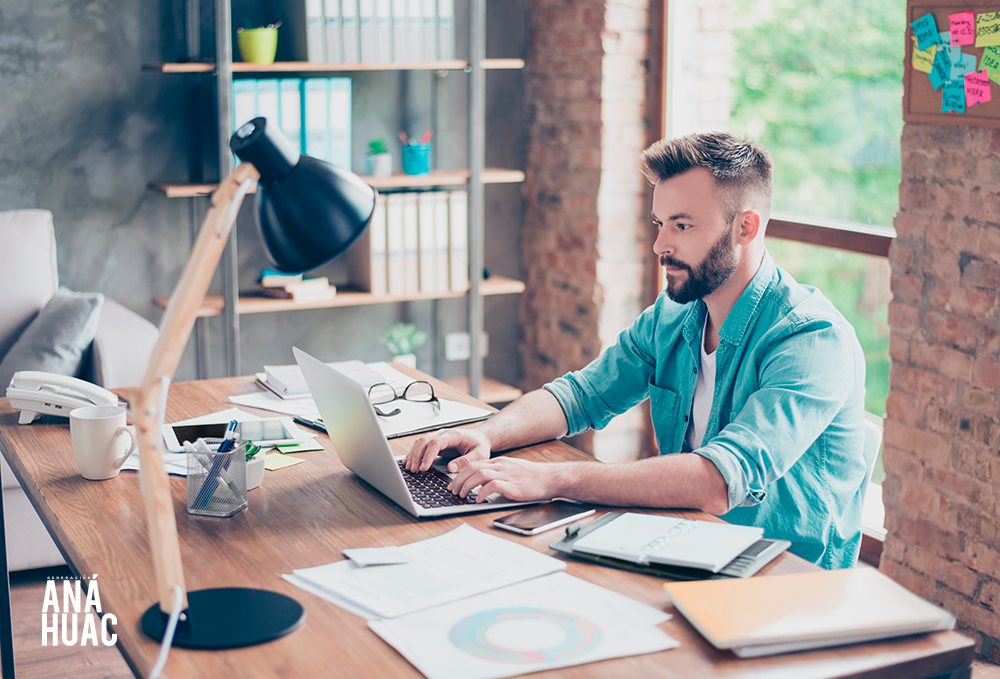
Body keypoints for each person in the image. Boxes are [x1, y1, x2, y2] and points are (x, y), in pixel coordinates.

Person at [404, 132, 867, 569]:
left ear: (746, 228)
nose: (660, 245)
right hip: (681, 542)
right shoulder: (675, 313)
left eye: (682, 225)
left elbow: (718, 481)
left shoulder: (812, 339)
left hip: (782, 580)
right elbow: (580, 395)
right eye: (660, 224)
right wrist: (489, 433)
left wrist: (554, 479)